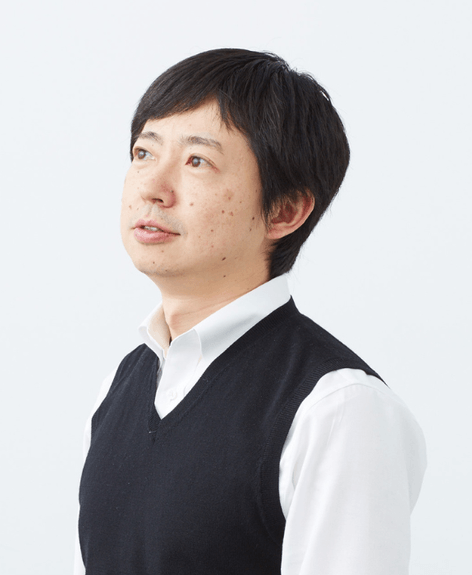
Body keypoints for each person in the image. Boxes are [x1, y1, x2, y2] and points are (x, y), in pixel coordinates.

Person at [75, 48, 426, 575]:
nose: (151, 188)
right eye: (144, 153)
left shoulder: (337, 409)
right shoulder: (119, 387)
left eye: (197, 161)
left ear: (285, 211)